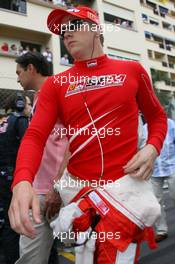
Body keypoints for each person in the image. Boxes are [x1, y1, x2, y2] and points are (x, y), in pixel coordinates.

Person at [9, 6, 167, 264]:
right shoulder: (56, 84)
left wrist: (152, 147)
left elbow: (158, 117)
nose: (66, 35)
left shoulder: (132, 70)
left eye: (74, 26)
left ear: (96, 29)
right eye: (63, 31)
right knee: (84, 257)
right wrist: (22, 181)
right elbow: (35, 135)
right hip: (78, 193)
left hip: (124, 190)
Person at [14, 51, 68, 264]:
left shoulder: (61, 90)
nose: (17, 78)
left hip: (63, 191)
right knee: (30, 258)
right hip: (38, 192)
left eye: (19, 72)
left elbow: (76, 139)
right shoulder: (37, 98)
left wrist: (57, 187)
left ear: (31, 69)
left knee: (89, 251)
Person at [0, 92, 31, 264]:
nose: (28, 107)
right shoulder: (20, 121)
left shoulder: (3, 121)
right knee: (16, 220)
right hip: (14, 176)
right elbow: (28, 149)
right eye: (26, 104)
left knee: (6, 218)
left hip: (3, 175)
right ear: (19, 105)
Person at [144, 118, 175, 242]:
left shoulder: (170, 124)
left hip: (172, 166)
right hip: (154, 170)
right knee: (156, 202)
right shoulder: (144, 129)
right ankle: (162, 231)